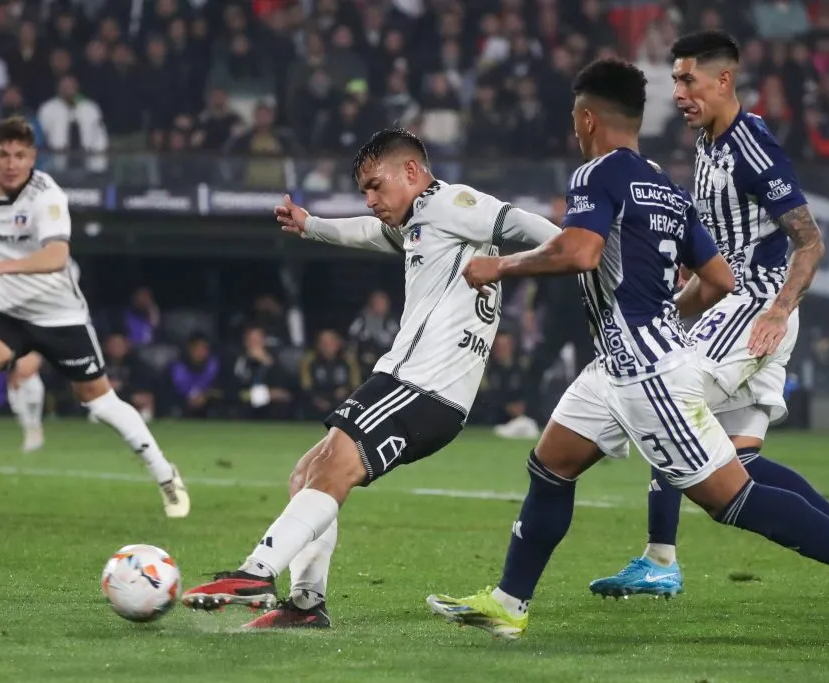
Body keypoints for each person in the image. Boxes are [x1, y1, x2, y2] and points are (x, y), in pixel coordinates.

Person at [425, 58, 829, 640]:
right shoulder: (665, 186)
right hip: (618, 367)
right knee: (550, 465)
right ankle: (509, 602)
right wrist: (659, 313)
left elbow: (578, 252)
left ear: (586, 119)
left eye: (575, 122)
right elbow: (720, 278)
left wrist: (499, 264)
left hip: (648, 375)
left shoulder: (595, 174)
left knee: (735, 497)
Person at [180, 128, 561, 629]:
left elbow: (536, 229)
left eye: (375, 185)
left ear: (410, 170)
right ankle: (306, 603)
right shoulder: (422, 219)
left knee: (334, 467)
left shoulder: (451, 202)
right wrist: (311, 224)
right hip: (410, 382)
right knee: (307, 474)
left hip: (424, 386)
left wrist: (546, 261)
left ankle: (256, 572)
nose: (370, 199)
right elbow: (368, 233)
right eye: (364, 190)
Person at [587, 30, 829, 609]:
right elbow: (716, 265)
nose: (678, 92)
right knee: (741, 461)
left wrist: (779, 312)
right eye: (675, 81)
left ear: (724, 80)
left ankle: (661, 562)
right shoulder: (707, 146)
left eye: (688, 80)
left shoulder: (750, 144)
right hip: (733, 307)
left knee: (669, 393)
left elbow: (809, 243)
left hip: (756, 308)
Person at [0, 115, 190, 518]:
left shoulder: (45, 196)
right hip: (9, 313)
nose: (12, 162)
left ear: (33, 157)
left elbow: (57, 256)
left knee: (101, 403)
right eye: (4, 154)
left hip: (59, 316)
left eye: (21, 155)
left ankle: (165, 475)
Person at [0, 243, 64, 453]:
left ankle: (33, 428)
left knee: (27, 371)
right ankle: (29, 427)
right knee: (17, 377)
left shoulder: (46, 238)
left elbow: (70, 269)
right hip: (6, 318)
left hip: (40, 315)